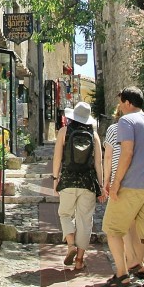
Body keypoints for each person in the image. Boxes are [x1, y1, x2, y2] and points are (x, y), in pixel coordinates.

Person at [101, 87, 144, 287]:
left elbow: (127, 152)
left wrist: (116, 183)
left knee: (112, 228)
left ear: (128, 102)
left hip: (132, 184)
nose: (119, 107)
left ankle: (122, 274)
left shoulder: (126, 122)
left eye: (121, 102)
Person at [52, 101, 104, 271]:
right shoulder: (94, 135)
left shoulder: (64, 132)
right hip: (88, 182)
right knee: (85, 220)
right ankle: (80, 260)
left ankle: (70, 244)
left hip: (67, 180)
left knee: (65, 213)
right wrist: (101, 185)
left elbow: (57, 158)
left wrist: (55, 178)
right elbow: (98, 163)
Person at [103, 107, 144, 279]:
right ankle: (140, 264)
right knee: (135, 227)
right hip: (140, 181)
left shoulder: (114, 129)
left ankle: (129, 264)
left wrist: (107, 181)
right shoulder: (141, 130)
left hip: (120, 182)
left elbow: (108, 157)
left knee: (119, 227)